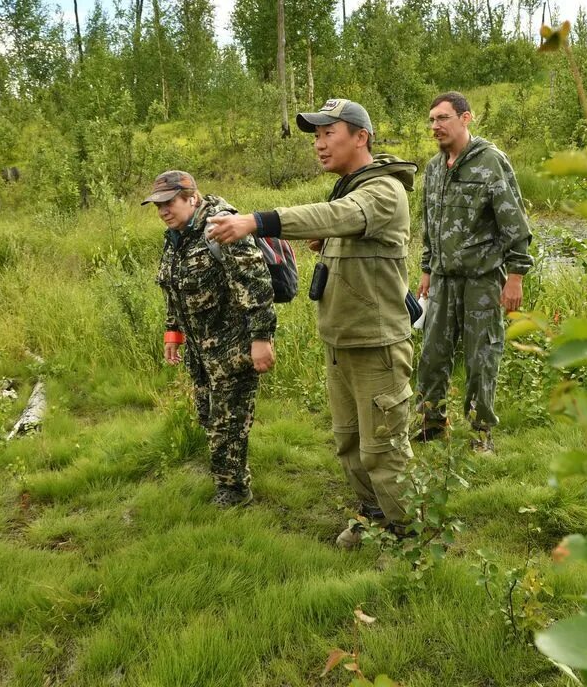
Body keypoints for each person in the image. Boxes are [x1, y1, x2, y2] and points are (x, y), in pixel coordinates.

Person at [206, 99, 419, 549]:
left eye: (329, 133)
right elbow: (340, 224)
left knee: (383, 449)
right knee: (349, 443)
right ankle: (375, 516)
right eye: (316, 137)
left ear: (361, 137)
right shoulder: (348, 190)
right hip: (342, 340)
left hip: (377, 343)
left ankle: (409, 539)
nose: (319, 145)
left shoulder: (382, 190)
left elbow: (340, 216)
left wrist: (254, 223)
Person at [145, 170, 277, 507]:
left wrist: (261, 338)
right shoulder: (177, 236)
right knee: (207, 415)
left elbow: (256, 284)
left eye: (168, 203)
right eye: (157, 205)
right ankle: (226, 475)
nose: (162, 211)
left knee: (227, 421)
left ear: (191, 197)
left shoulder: (222, 228)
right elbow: (174, 288)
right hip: (201, 349)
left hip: (233, 344)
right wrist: (173, 332)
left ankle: (234, 491)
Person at [416, 91, 533, 453]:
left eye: (444, 118)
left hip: (482, 279)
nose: (436, 126)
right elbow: (430, 222)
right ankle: (432, 423)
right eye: (432, 119)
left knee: (482, 356)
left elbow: (514, 221)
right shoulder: (435, 168)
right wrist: (426, 267)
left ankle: (482, 432)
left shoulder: (490, 162)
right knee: (432, 354)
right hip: (443, 279)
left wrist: (515, 276)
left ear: (466, 119)